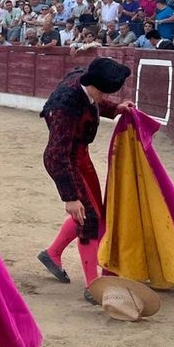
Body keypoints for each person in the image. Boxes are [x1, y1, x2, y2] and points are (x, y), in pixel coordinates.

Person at [37, 57, 134, 304]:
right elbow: (54, 154)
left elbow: (94, 101)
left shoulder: (85, 76)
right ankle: (93, 285)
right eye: (106, 93)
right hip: (67, 159)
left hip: (81, 155)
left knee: (93, 213)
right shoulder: (65, 106)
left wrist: (115, 108)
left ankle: (53, 253)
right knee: (88, 216)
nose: (105, 96)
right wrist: (69, 196)